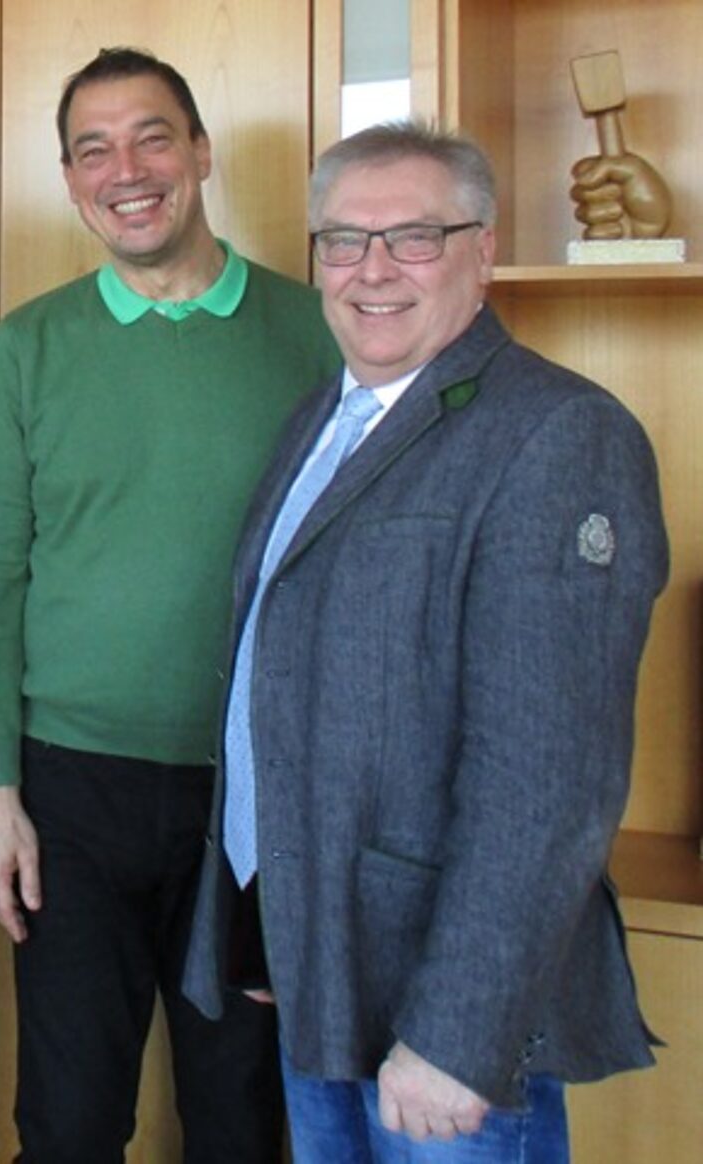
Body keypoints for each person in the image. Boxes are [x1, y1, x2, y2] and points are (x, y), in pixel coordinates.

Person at [183, 121, 666, 1163]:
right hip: (323, 974)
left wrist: (457, 1033)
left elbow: (549, 779)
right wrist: (269, 920)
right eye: (342, 242)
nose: (371, 271)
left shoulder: (555, 434)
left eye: (412, 237)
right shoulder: (319, 417)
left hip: (445, 1028)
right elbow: (283, 684)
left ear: (481, 250)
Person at [0, 47, 339, 1163]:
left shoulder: (314, 330)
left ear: (199, 153)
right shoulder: (26, 348)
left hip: (257, 793)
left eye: (150, 137)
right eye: (92, 150)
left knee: (238, 1118)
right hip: (69, 794)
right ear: (71, 179)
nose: (124, 169)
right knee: (69, 1122)